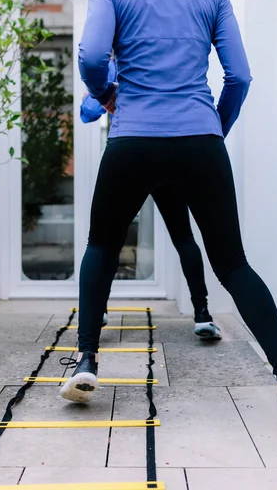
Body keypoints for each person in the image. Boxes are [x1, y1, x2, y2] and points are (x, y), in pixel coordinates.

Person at [60, 0, 277, 432]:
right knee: (233, 264)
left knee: (102, 245)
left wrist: (107, 92)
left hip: (132, 140)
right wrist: (213, 131)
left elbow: (88, 56)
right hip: (200, 141)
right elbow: (240, 77)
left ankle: (85, 361)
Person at [81, 60, 221, 340]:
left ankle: (98, 311)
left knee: (107, 243)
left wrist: (104, 94)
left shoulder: (115, 65)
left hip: (132, 157)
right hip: (171, 157)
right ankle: (202, 313)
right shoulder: (167, 64)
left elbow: (88, 111)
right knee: (183, 236)